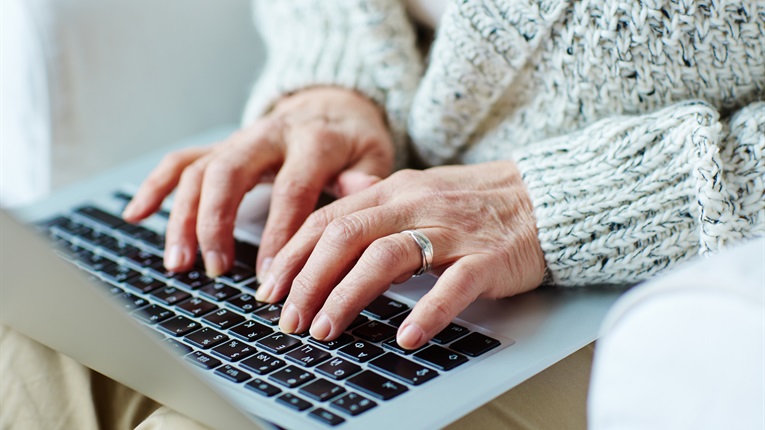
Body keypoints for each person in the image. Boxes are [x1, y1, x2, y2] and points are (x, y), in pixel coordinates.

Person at [3, 0, 763, 429]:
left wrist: (569, 201)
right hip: (360, 189)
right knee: (28, 341)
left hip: (648, 277)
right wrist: (333, 81)